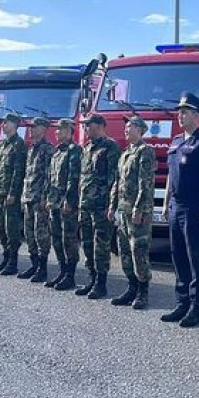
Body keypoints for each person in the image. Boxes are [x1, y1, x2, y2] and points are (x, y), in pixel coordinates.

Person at [161, 92, 199, 327]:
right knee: (178, 256)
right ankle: (181, 303)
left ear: (196, 115)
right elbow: (170, 176)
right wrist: (165, 203)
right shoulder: (175, 142)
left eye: (184, 112)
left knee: (196, 258)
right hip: (176, 206)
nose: (179, 116)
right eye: (179, 112)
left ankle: (196, 308)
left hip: (194, 207)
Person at [108, 116, 156, 310]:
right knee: (124, 251)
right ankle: (131, 288)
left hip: (137, 212)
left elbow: (146, 183)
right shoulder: (125, 153)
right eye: (126, 127)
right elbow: (117, 182)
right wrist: (112, 206)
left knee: (139, 251)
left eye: (131, 127)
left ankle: (143, 292)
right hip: (122, 210)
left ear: (140, 130)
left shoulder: (146, 151)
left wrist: (139, 208)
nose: (126, 130)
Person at [75, 114, 120, 300]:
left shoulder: (110, 147)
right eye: (84, 126)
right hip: (85, 204)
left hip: (101, 205)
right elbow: (83, 177)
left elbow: (114, 178)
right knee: (87, 243)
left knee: (100, 245)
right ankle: (91, 279)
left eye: (89, 125)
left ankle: (101, 284)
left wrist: (111, 205)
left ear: (101, 125)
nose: (86, 129)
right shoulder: (86, 148)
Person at [46, 119, 82, 291]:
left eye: (59, 130)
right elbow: (50, 177)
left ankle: (70, 275)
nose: (56, 132)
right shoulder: (56, 152)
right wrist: (48, 198)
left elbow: (73, 178)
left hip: (66, 204)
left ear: (68, 131)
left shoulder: (74, 151)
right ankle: (62, 271)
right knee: (56, 238)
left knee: (69, 239)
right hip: (54, 202)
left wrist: (69, 200)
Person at [0, 113, 27, 275]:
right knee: (0, 228)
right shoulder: (2, 144)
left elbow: (18, 172)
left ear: (14, 125)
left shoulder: (19, 144)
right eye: (2, 123)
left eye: (6, 123)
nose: (3, 125)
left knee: (11, 228)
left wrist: (13, 193)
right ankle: (5, 257)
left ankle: (13, 262)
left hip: (10, 195)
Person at [19, 117, 55, 282]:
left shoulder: (48, 149)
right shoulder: (31, 148)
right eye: (30, 127)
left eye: (34, 127)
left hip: (39, 198)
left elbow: (49, 176)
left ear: (43, 128)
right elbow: (27, 175)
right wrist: (23, 195)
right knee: (29, 233)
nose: (31, 129)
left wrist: (45, 197)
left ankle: (42, 268)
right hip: (28, 197)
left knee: (41, 234)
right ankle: (34, 264)